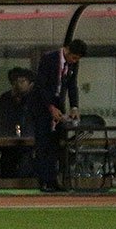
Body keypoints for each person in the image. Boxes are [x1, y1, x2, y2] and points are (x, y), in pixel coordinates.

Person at [33, 39, 86, 192]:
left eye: (77, 59)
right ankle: (44, 181)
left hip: (58, 105)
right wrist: (50, 107)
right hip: (42, 107)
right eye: (73, 58)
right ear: (67, 51)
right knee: (43, 144)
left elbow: (72, 85)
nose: (74, 61)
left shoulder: (73, 64)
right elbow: (41, 86)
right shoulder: (48, 59)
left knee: (56, 145)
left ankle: (53, 180)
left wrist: (74, 107)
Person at [0, 67, 36, 179]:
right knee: (7, 168)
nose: (18, 85)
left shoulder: (34, 99)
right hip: (8, 141)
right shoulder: (6, 98)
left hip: (28, 142)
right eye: (16, 81)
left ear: (30, 84)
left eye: (22, 81)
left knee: (25, 168)